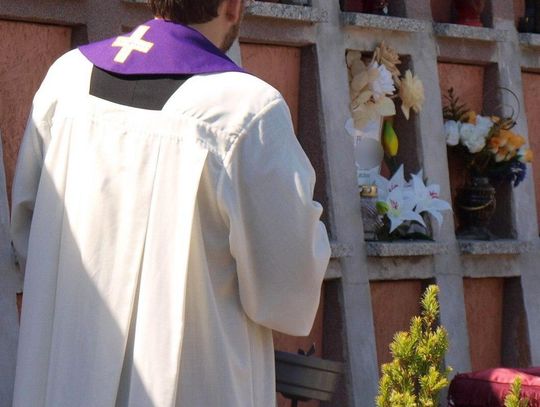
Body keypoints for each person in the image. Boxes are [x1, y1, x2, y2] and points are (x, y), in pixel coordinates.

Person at [10, 0, 330, 406]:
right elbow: (286, 293)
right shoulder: (246, 112)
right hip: (191, 383)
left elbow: (27, 234)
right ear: (233, 6)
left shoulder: (66, 79)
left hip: (67, 370)